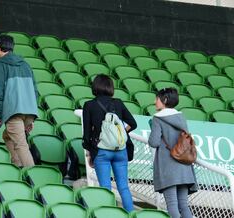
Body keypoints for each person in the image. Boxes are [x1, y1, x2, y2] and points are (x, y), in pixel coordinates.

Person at [82, 74, 137, 212]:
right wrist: (119, 134)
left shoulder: (89, 105)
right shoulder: (118, 103)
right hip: (120, 150)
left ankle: (108, 214)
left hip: (101, 150)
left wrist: (90, 154)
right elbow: (133, 123)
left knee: (105, 188)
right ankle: (131, 214)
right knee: (123, 186)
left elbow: (87, 135)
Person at [148, 87, 197, 218]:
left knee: (172, 205)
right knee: (184, 205)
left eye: (157, 99)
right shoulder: (181, 116)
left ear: (164, 100)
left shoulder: (157, 118)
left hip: (168, 168)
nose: (154, 102)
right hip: (184, 167)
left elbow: (154, 142)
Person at [0, 34, 38, 167]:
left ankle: (33, 178)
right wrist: (32, 116)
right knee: (7, 136)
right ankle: (17, 165)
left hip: (14, 111)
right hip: (29, 110)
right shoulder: (25, 65)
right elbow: (35, 90)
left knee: (21, 145)